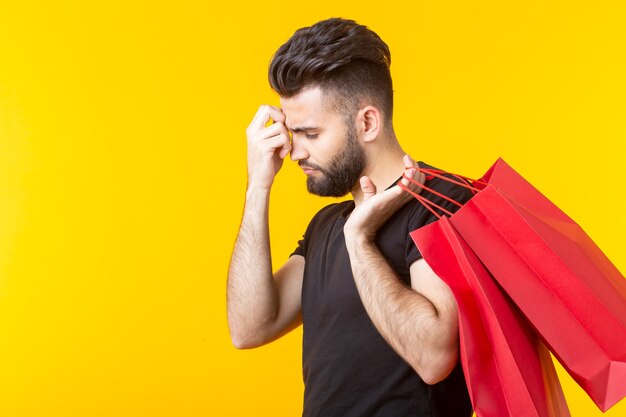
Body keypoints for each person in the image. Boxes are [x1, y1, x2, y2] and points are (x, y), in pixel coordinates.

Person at [227, 17, 473, 417]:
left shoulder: (441, 204)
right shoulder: (326, 224)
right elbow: (249, 328)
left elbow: (434, 358)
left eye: (311, 134)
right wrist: (258, 186)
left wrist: (360, 240)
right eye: (293, 134)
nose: (295, 153)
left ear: (367, 123)